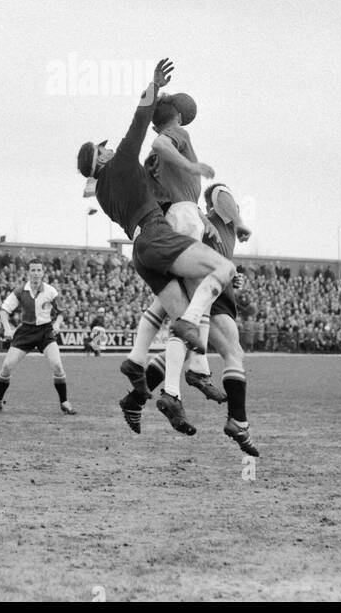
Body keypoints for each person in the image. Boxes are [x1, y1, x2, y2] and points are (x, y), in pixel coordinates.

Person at [75, 59, 235, 436]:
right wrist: (153, 86)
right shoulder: (123, 164)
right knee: (216, 277)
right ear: (101, 159)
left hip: (140, 251)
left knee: (184, 320)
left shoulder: (102, 191)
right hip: (159, 233)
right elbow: (138, 123)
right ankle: (194, 371)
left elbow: (143, 174)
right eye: (105, 149)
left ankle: (163, 388)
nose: (111, 148)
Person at [141, 182, 260, 456]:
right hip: (209, 291)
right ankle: (238, 421)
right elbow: (218, 191)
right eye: (231, 203)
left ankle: (139, 392)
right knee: (233, 352)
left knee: (186, 347)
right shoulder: (220, 215)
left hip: (213, 287)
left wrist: (235, 276)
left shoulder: (217, 228)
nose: (233, 204)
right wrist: (240, 220)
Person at [0, 259, 77, 415]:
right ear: (28, 272)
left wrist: (57, 324)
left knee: (58, 366)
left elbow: (62, 311)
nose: (36, 273)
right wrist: (7, 328)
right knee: (6, 366)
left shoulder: (50, 291)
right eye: (33, 270)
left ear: (43, 272)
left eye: (38, 270)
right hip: (25, 332)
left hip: (45, 332)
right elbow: (3, 310)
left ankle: (64, 402)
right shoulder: (20, 291)